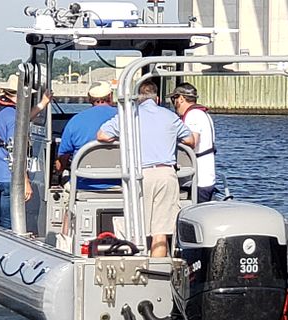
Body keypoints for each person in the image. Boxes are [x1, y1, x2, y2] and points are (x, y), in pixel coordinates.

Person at [96, 80, 194, 257]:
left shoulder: (128, 115)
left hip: (140, 176)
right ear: (156, 99)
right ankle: (158, 272)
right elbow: (190, 140)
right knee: (160, 232)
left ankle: (137, 269)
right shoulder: (170, 116)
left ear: (137, 99)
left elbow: (102, 135)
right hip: (166, 174)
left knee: (137, 228)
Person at [0, 74, 50, 229]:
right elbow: (17, 152)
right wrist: (25, 182)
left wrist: (42, 104)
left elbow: (22, 120)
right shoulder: (13, 117)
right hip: (8, 178)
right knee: (8, 222)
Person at [57, 81, 119, 189]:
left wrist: (58, 170)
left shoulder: (75, 121)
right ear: (110, 96)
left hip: (83, 185)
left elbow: (63, 159)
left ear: (89, 98)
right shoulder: (126, 117)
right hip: (122, 183)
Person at [170, 82, 217, 203]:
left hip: (199, 179)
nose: (173, 104)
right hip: (204, 177)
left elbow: (192, 141)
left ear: (180, 98)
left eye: (173, 99)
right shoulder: (202, 114)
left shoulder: (193, 115)